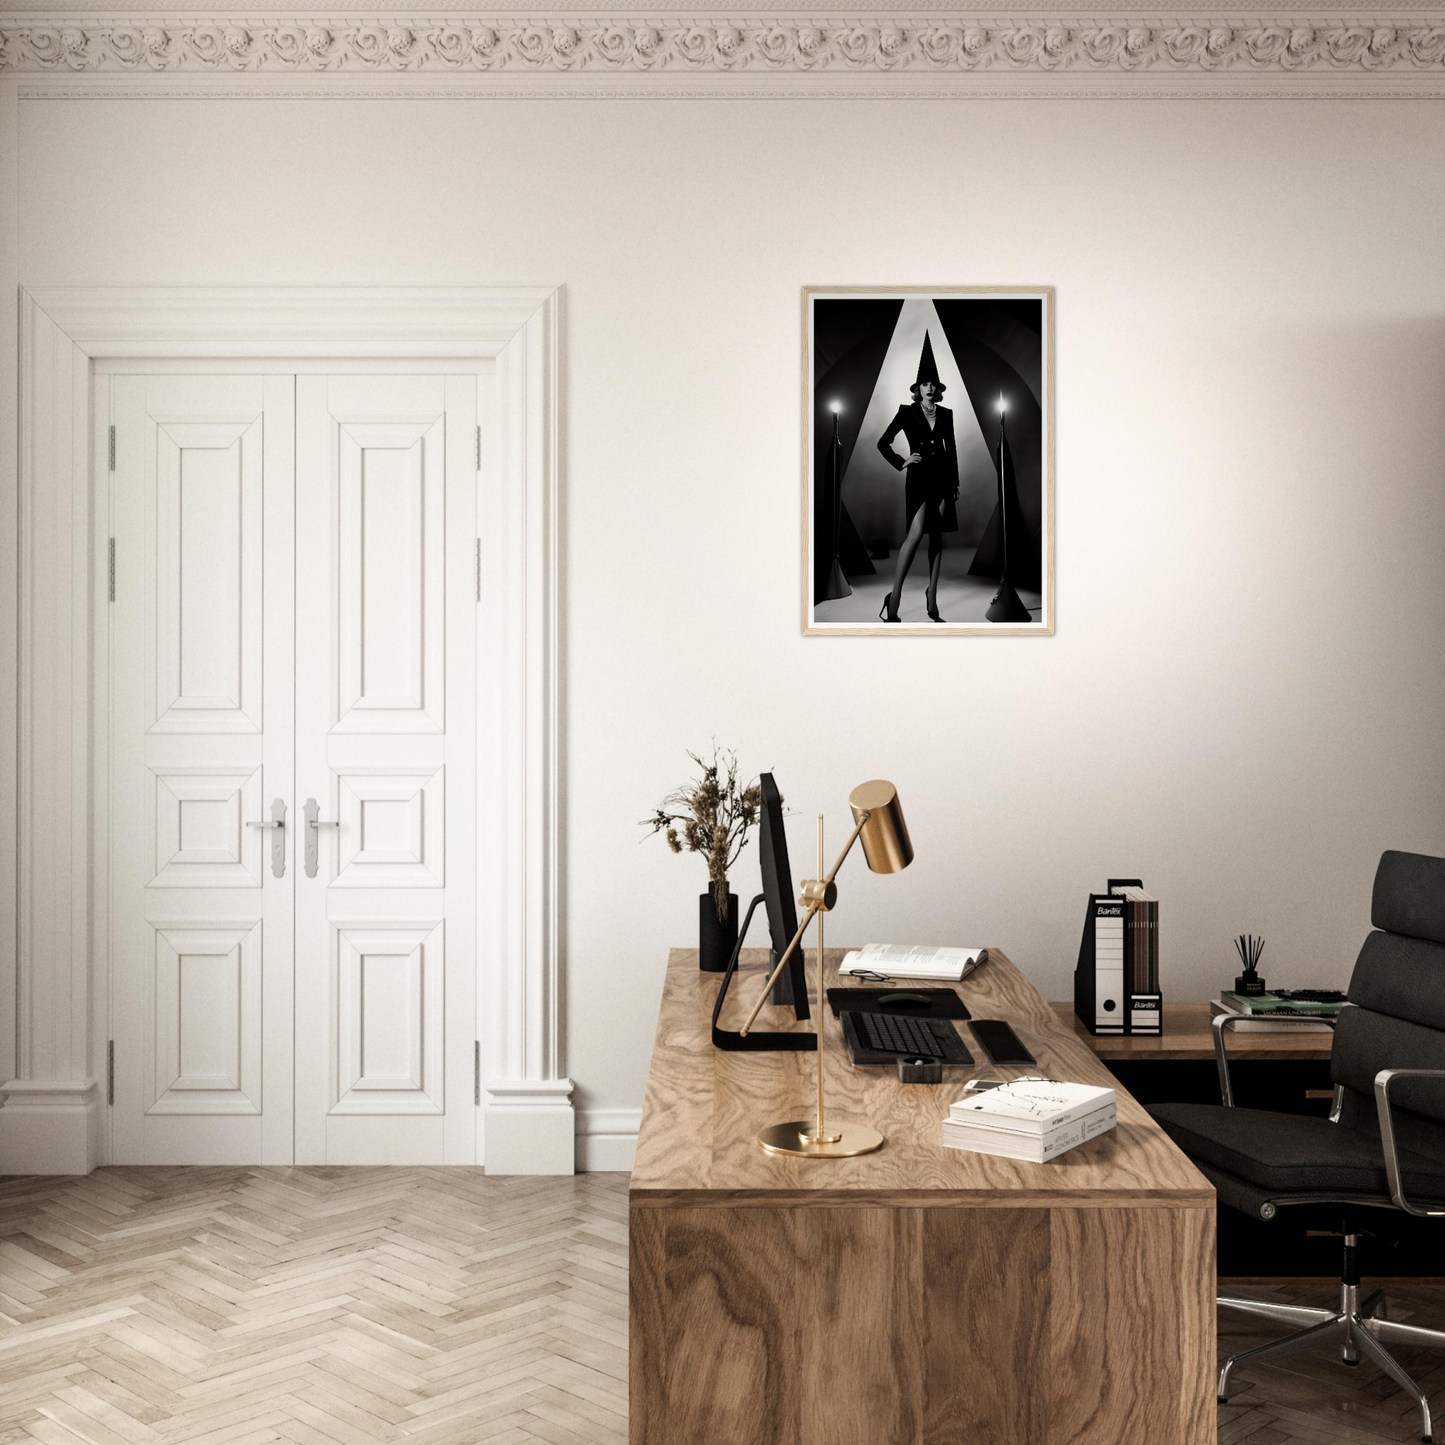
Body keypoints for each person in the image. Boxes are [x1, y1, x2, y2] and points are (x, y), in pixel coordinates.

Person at [875, 333, 959, 623]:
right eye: (925, 383)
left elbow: (952, 449)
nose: (929, 388)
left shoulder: (946, 414)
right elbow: (883, 442)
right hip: (920, 479)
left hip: (943, 480)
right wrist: (902, 462)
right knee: (915, 535)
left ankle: (932, 597)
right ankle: (894, 596)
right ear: (917, 388)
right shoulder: (907, 412)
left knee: (937, 538)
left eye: (933, 384)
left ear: (938, 389)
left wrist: (955, 482)